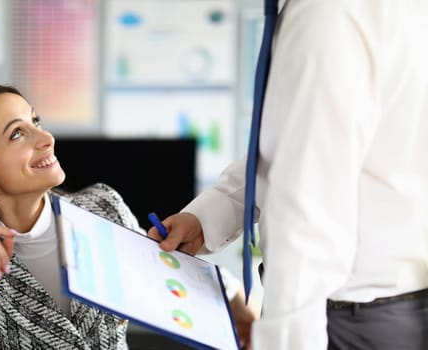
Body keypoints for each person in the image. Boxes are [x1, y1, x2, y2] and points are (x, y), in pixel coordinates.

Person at [148, 1, 428, 349]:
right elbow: (299, 148)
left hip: (341, 320)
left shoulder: (327, 14)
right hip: (384, 313)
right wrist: (209, 216)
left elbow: (307, 214)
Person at [0, 83, 256, 350]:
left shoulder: (101, 208)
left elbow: (164, 277)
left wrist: (236, 306)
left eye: (35, 121)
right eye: (18, 133)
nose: (46, 137)